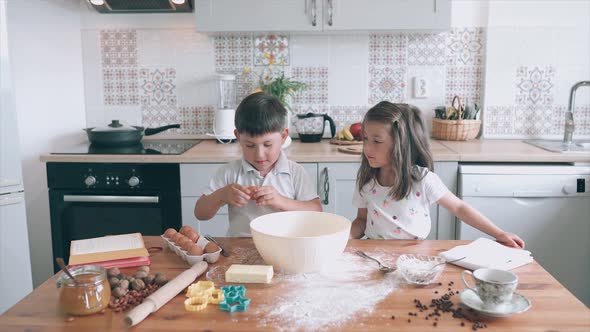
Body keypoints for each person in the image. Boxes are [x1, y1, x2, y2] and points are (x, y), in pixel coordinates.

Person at [350, 101, 525, 248]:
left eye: (377, 141)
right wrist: (341, 239)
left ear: (401, 144)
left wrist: (499, 233)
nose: (366, 147)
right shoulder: (367, 180)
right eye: (365, 138)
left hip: (414, 256)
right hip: (373, 255)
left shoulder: (422, 180)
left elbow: (459, 208)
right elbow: (361, 220)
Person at [195, 92, 321, 236]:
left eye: (267, 145)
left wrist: (281, 201)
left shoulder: (295, 172)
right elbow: (200, 213)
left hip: (285, 247)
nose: (259, 154)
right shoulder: (229, 172)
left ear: (283, 137)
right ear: (237, 137)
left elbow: (316, 211)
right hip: (240, 249)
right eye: (250, 145)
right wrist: (222, 195)